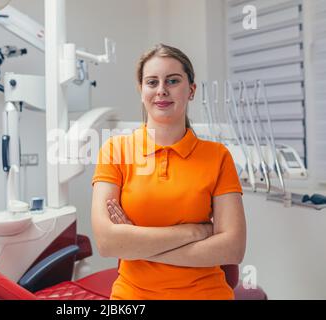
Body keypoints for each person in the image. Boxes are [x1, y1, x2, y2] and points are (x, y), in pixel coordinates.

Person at [91, 44, 246, 300]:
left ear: (191, 90)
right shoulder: (115, 151)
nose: (161, 90)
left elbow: (233, 249)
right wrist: (195, 232)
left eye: (173, 81)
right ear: (141, 91)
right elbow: (107, 243)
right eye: (152, 82)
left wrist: (135, 245)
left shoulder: (218, 156)